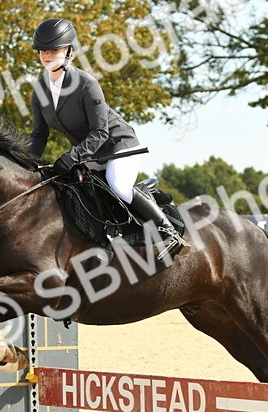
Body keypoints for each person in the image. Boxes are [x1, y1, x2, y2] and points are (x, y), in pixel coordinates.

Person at [27, 17, 188, 255]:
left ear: (69, 50)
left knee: (119, 186)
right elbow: (39, 135)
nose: (47, 56)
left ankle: (167, 231)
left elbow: (100, 131)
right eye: (42, 51)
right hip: (90, 154)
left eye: (54, 50)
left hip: (118, 145)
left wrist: (72, 157)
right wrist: (27, 163)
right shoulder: (39, 89)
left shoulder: (86, 84)